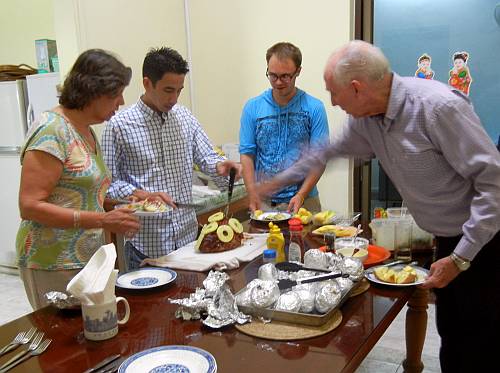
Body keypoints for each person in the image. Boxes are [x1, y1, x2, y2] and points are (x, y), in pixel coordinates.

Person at [258, 40, 500, 373]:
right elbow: (328, 150)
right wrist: (273, 181)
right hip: (448, 239)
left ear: (356, 89)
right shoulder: (368, 119)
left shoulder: (438, 108)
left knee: (480, 343)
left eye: (334, 93)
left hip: (486, 242)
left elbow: (494, 184)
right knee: (454, 336)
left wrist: (461, 257)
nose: (333, 102)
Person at [16, 49, 140, 310]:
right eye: (115, 94)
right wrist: (103, 220)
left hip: (87, 258)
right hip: (52, 261)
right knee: (63, 343)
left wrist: (130, 201)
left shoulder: (86, 131)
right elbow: (29, 206)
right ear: (92, 91)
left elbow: (84, 194)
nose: (121, 101)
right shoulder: (51, 130)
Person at [102, 47, 241, 271]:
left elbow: (207, 156)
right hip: (146, 245)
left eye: (179, 90)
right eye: (168, 90)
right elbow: (107, 185)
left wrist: (221, 166)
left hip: (187, 240)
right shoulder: (119, 125)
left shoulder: (184, 117)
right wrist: (141, 195)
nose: (174, 98)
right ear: (147, 83)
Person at [239, 42, 329, 214]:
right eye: (273, 76)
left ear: (298, 72)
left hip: (304, 201)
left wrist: (301, 195)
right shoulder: (253, 107)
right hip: (264, 202)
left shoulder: (314, 108)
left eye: (285, 76)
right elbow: (247, 155)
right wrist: (252, 193)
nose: (278, 82)